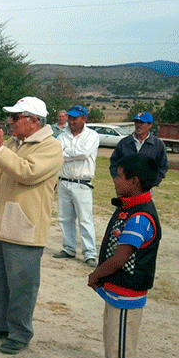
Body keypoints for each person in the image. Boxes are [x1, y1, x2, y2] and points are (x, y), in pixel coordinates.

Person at [0, 97, 63, 354]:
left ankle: (20, 333)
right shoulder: (13, 143)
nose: (10, 122)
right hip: (1, 224)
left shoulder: (50, 147)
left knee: (22, 285)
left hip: (24, 229)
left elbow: (27, 173)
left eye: (15, 117)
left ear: (34, 121)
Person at [88, 154, 161, 358]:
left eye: (119, 176)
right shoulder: (129, 206)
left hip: (126, 298)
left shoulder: (140, 217)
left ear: (134, 181)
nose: (114, 179)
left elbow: (120, 259)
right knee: (113, 353)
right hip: (117, 294)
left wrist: (96, 274)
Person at [53, 105, 100, 267]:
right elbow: (56, 154)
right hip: (64, 180)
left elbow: (84, 152)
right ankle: (69, 248)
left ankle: (89, 253)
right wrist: (69, 154)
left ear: (84, 119)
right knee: (65, 218)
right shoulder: (62, 136)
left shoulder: (92, 135)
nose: (71, 121)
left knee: (85, 219)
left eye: (75, 118)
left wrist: (66, 154)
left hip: (82, 183)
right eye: (70, 118)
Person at [109, 112, 168, 187]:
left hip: (145, 189)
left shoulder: (158, 145)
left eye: (142, 123)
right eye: (136, 122)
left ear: (150, 125)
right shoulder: (124, 143)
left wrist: (153, 183)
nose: (138, 125)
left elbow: (162, 167)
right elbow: (114, 162)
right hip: (125, 187)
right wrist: (116, 178)